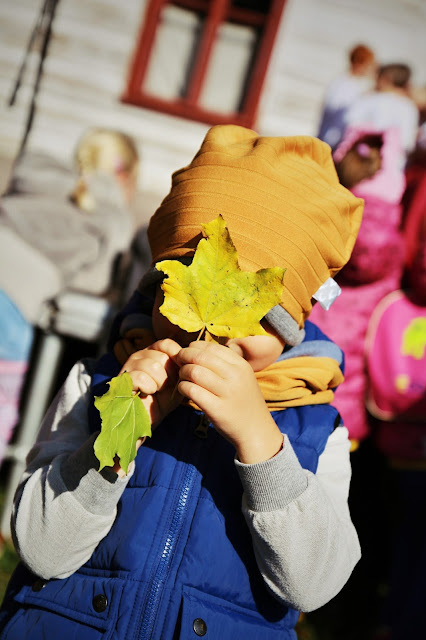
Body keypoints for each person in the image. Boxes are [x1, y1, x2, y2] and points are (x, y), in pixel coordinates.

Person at [0, 125, 363, 640]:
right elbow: (41, 549)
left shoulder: (317, 429)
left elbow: (312, 587)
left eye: (255, 313)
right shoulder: (99, 381)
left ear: (292, 328)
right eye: (183, 293)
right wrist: (120, 430)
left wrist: (261, 442)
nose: (213, 331)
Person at [0, 128, 139, 465]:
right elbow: (95, 283)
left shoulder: (37, 178)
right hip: (13, 305)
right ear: (124, 175)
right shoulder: (112, 216)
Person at [344, 63, 419, 164]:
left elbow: (349, 125)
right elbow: (407, 143)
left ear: (385, 79)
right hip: (393, 165)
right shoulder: (409, 107)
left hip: (360, 161)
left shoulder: (369, 99)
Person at [317, 43, 376, 150]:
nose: (370, 69)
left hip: (333, 139)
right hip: (332, 139)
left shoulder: (349, 83)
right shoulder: (343, 85)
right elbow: (336, 114)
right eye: (369, 65)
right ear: (359, 63)